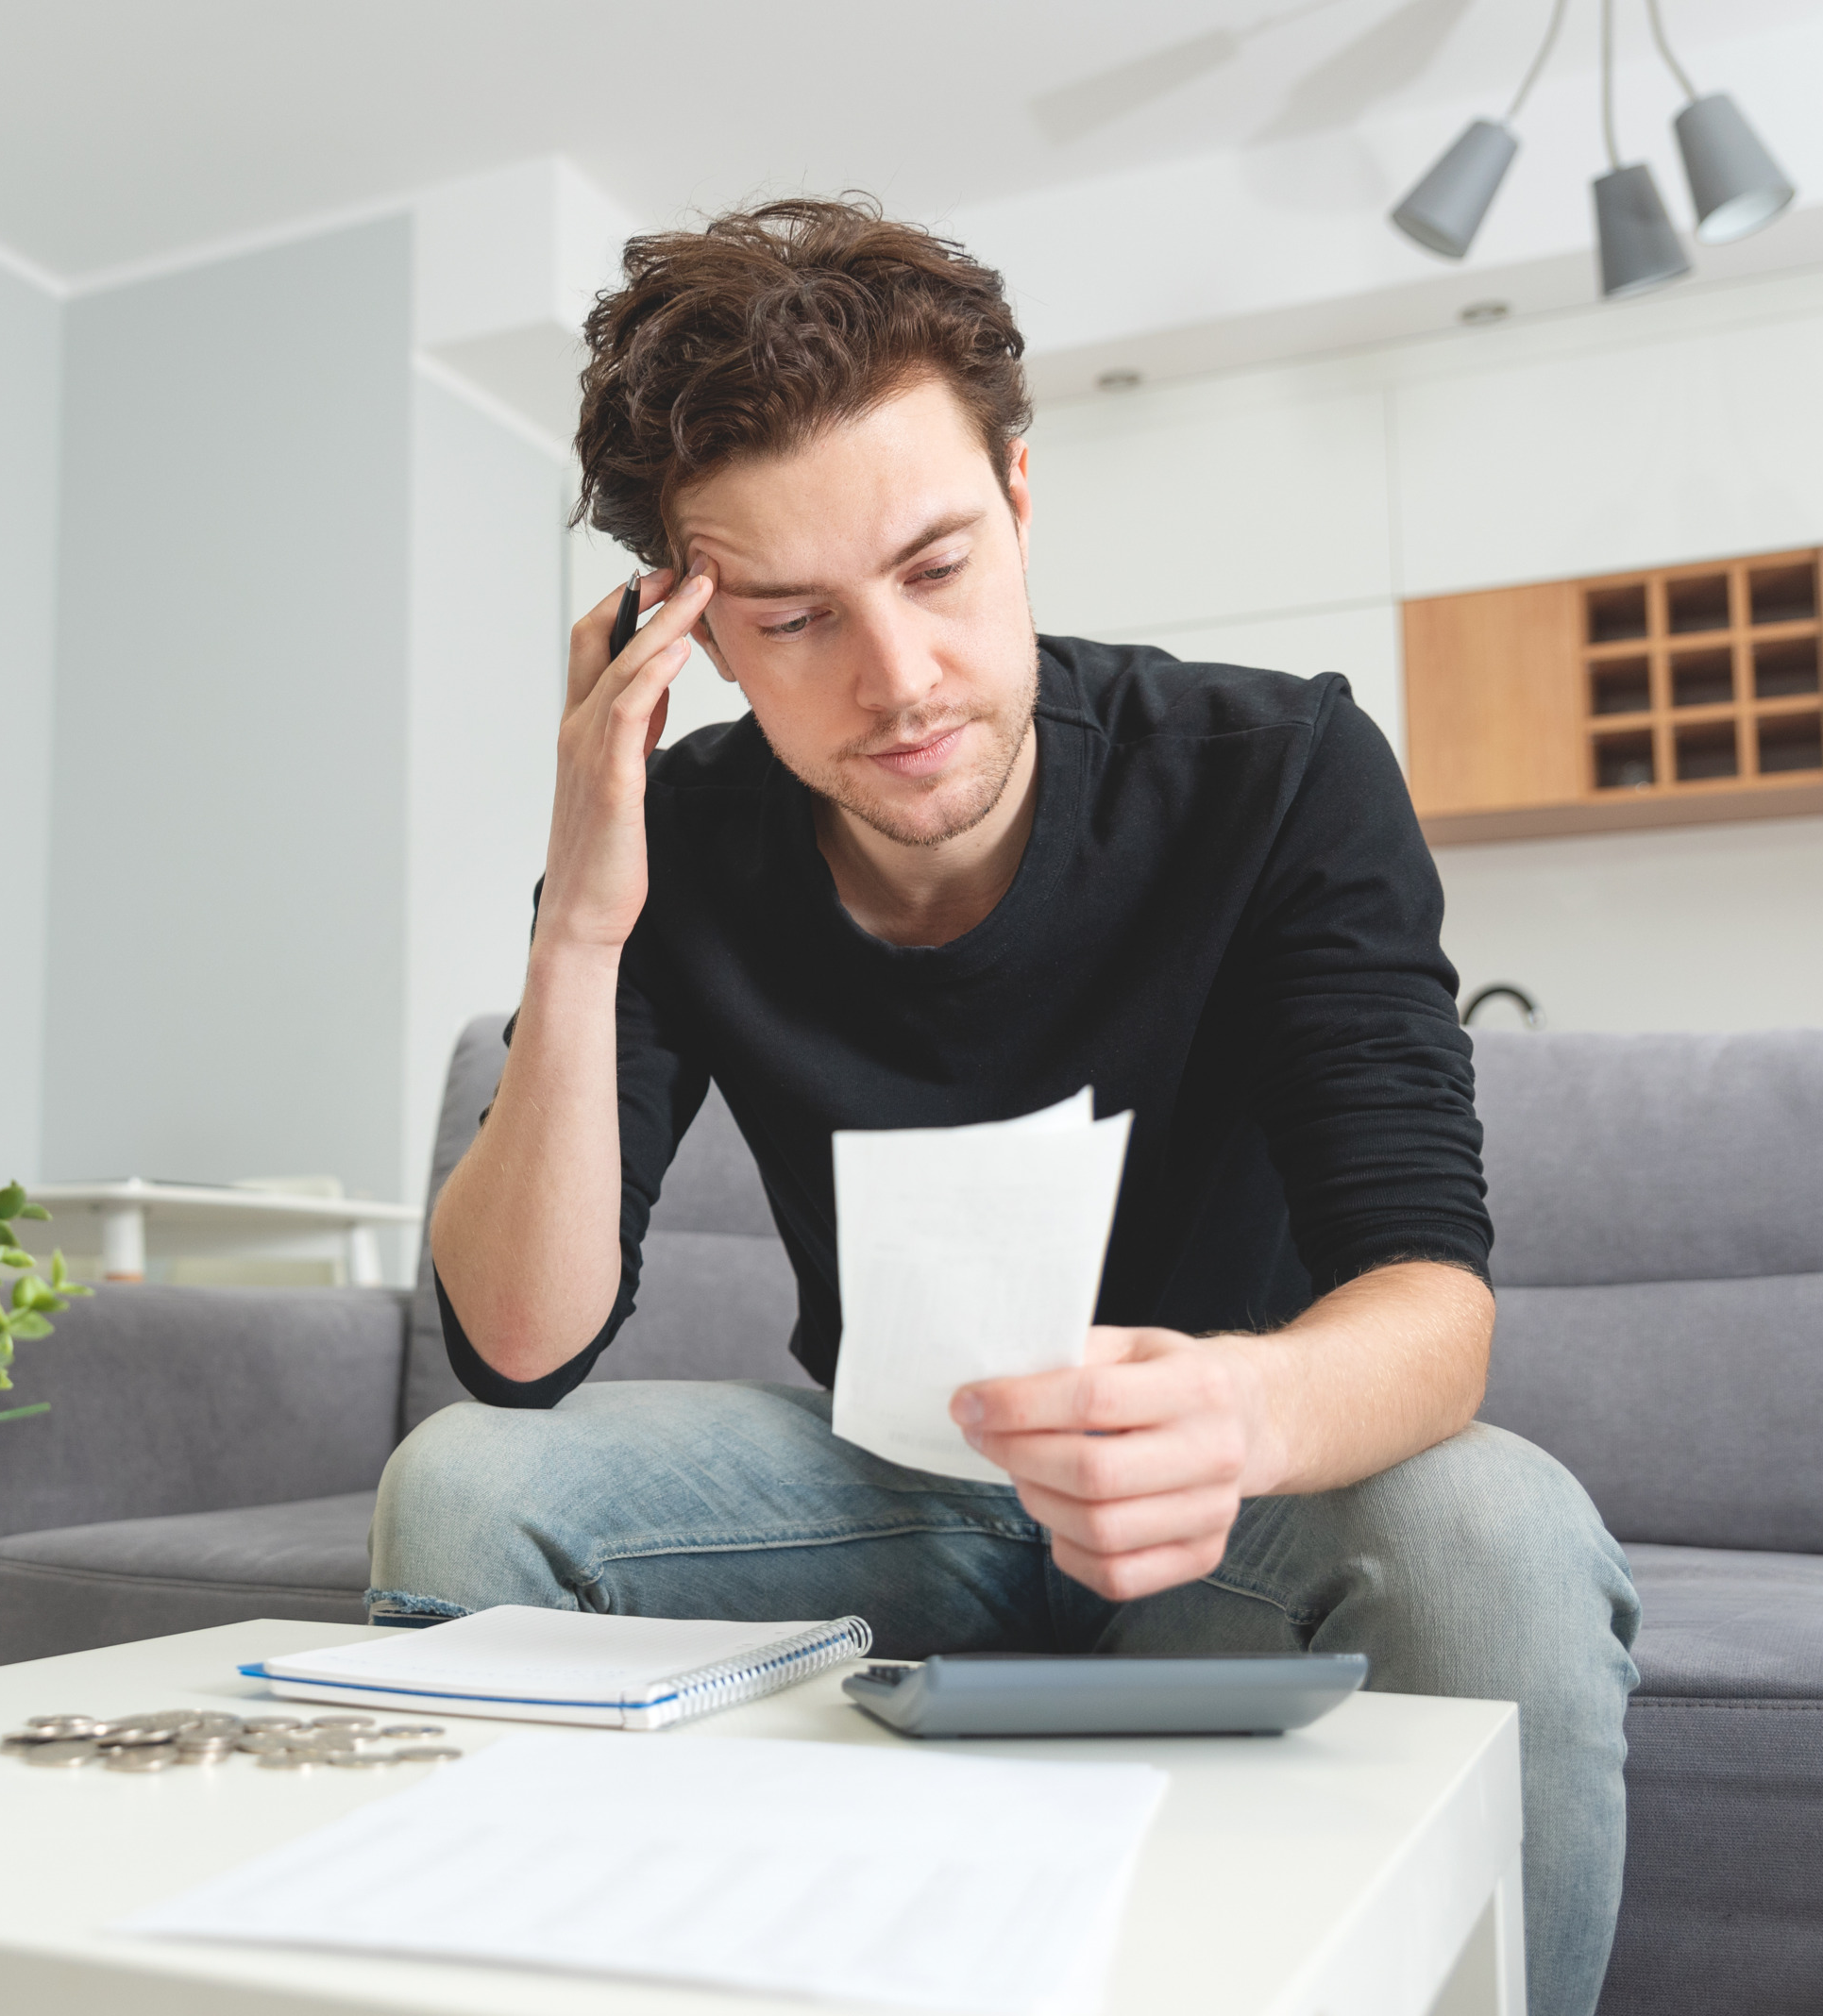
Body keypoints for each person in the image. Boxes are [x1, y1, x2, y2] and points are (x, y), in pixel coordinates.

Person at [370, 198, 1641, 2016]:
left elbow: (1433, 1304)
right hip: (889, 1488)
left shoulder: (1281, 773)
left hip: (1238, 1497)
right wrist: (583, 921)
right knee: (462, 1484)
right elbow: (515, 1350)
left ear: (1023, 503)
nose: (897, 683)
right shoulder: (684, 846)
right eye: (796, 619)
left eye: (941, 568)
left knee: (1493, 1528)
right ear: (693, 636)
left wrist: (1239, 1409)